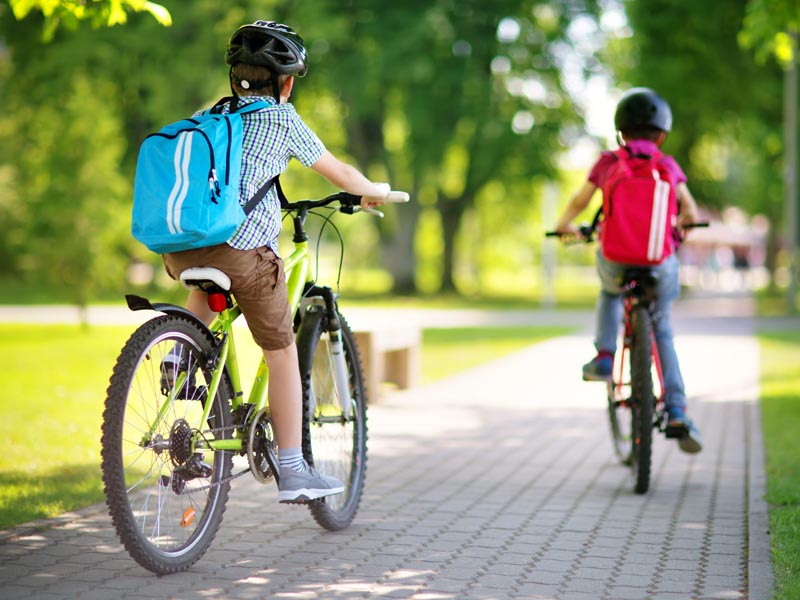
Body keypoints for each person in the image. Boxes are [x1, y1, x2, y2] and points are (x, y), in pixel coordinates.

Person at [161, 20, 391, 501]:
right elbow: (339, 171)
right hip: (245, 254)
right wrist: (372, 191)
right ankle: (292, 468)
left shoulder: (211, 115)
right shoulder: (282, 120)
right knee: (282, 351)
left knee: (207, 285)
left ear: (235, 79)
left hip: (181, 251)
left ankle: (177, 354)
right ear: (286, 82)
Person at [553, 87, 703, 454]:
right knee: (662, 326)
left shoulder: (608, 163)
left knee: (609, 291)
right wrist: (682, 223)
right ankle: (678, 408)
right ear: (661, 134)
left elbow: (580, 200)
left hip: (617, 257)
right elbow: (691, 213)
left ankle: (605, 356)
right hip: (659, 261)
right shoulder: (666, 166)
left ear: (621, 131)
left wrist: (564, 225)